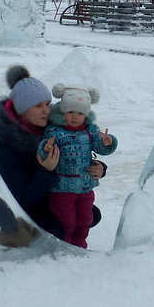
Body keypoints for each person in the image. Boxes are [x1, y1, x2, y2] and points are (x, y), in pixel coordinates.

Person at [0, 65, 107, 244]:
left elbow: (78, 152)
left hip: (48, 196)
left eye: (48, 104)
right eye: (38, 106)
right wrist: (46, 170)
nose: (46, 111)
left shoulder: (49, 129)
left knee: (90, 215)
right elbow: (20, 198)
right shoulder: (6, 145)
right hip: (17, 207)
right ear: (22, 109)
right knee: (58, 227)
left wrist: (99, 168)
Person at [37, 85, 117, 248]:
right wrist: (45, 148)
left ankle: (80, 246)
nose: (75, 117)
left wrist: (107, 143)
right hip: (61, 189)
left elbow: (100, 148)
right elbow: (44, 151)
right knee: (66, 221)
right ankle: (65, 248)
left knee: (84, 220)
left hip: (85, 187)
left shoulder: (91, 130)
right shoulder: (54, 131)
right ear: (62, 111)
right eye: (70, 112)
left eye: (80, 113)